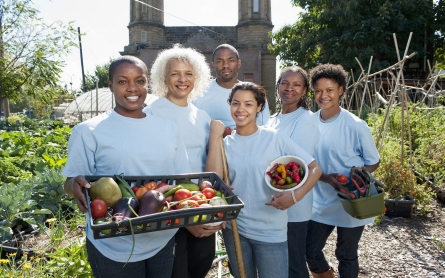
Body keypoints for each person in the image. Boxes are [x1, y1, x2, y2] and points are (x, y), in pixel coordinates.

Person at [62, 55, 191, 278]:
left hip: (162, 237)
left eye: (139, 81)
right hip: (114, 246)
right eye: (123, 81)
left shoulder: (168, 128)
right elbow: (71, 182)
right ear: (110, 84)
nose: (133, 88)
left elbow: (181, 178)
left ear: (147, 83)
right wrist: (74, 184)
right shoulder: (88, 131)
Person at [205, 82, 322, 278]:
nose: (241, 109)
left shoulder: (274, 138)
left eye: (248, 104)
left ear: (259, 107)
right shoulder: (225, 143)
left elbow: (314, 168)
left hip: (270, 232)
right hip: (236, 228)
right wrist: (215, 137)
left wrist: (294, 196)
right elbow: (213, 181)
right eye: (235, 103)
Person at [144, 44, 220, 278]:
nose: (182, 79)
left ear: (196, 77)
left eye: (188, 73)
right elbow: (151, 167)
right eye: (175, 73)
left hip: (200, 201)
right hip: (167, 204)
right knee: (176, 272)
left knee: (201, 264)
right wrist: (184, 218)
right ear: (164, 77)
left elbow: (209, 163)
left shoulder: (202, 116)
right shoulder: (151, 113)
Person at [306, 64, 380, 278]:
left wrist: (359, 174)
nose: (323, 95)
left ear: (341, 90)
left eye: (330, 90)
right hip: (321, 198)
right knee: (310, 250)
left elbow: (373, 161)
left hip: (351, 199)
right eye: (318, 90)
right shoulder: (309, 122)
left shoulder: (355, 125)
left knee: (346, 254)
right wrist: (326, 178)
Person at [265, 66, 320, 278]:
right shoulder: (272, 119)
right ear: (278, 86)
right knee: (279, 264)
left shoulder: (306, 119)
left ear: (305, 90)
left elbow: (296, 165)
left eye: (297, 84)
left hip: (294, 204)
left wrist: (293, 196)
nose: (290, 88)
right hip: (274, 200)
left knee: (294, 265)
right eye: (285, 83)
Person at [193, 44, 270, 133]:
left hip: (246, 145)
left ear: (239, 63)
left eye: (231, 60)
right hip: (209, 145)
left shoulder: (254, 93)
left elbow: (264, 128)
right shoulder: (199, 92)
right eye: (219, 61)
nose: (226, 65)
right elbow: (193, 128)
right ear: (213, 65)